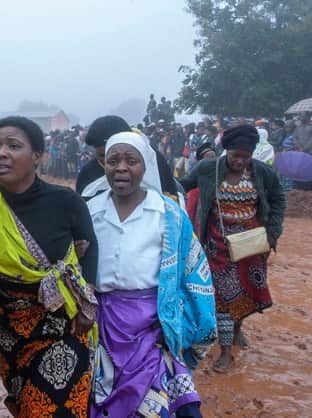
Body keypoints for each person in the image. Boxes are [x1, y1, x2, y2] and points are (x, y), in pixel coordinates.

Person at [0, 116, 98, 417]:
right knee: (24, 405)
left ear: (37, 155)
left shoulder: (66, 202)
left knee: (52, 410)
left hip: (62, 322)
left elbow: (88, 250)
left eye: (13, 145)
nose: (0, 153)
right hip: (10, 325)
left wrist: (88, 305)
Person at [88, 132, 216, 417]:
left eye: (130, 160)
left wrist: (185, 325)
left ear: (145, 165)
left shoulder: (168, 214)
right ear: (104, 166)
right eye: (113, 161)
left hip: (152, 327)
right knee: (96, 402)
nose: (121, 167)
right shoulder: (89, 212)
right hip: (100, 325)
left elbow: (192, 272)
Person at [180, 125, 286, 372]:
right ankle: (226, 352)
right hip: (217, 244)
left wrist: (272, 233)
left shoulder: (262, 172)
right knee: (223, 297)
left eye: (245, 157)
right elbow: (183, 184)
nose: (239, 161)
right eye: (235, 155)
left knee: (247, 292)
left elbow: (279, 198)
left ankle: (237, 331)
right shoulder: (208, 169)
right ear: (225, 151)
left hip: (253, 245)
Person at [185, 142, 217, 235]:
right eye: (208, 157)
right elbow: (190, 216)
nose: (212, 160)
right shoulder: (194, 192)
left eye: (213, 156)